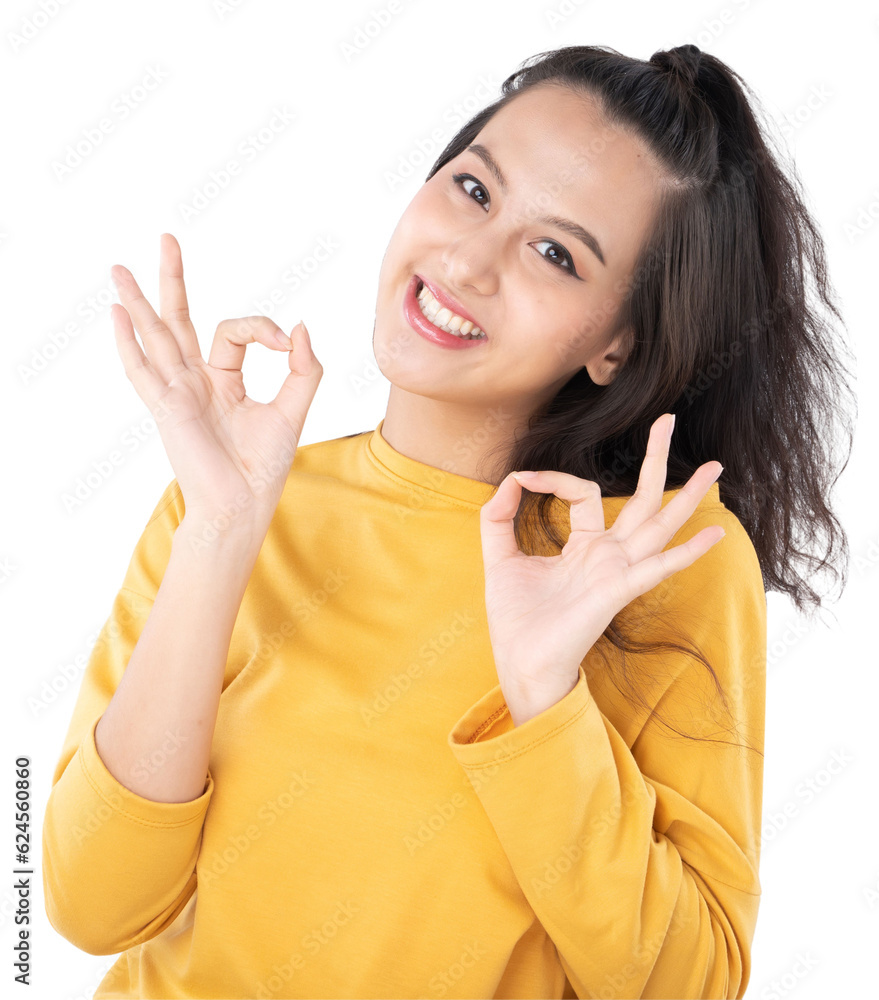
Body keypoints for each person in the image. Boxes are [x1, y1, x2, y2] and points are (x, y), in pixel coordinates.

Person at [41, 43, 853, 1000]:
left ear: (615, 341)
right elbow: (88, 908)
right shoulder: (228, 500)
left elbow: (688, 984)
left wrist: (543, 702)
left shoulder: (646, 563)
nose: (467, 261)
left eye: (555, 253)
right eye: (473, 190)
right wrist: (220, 532)